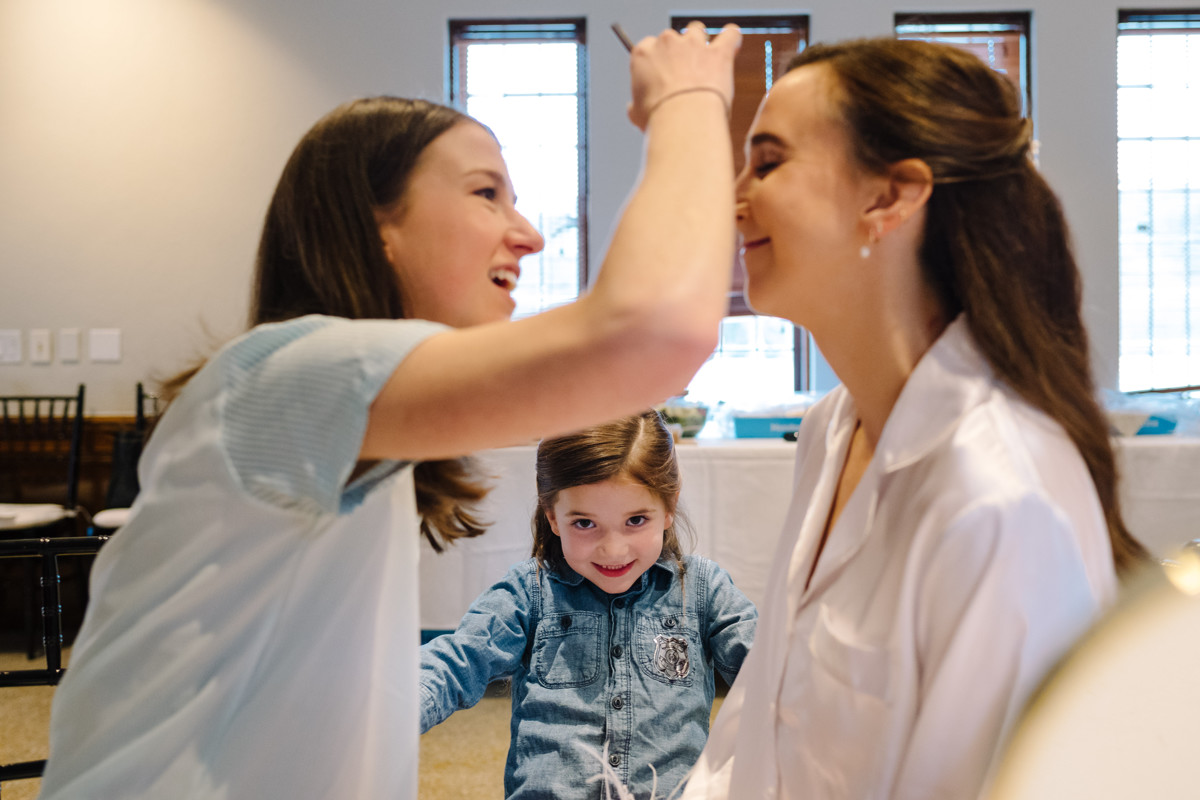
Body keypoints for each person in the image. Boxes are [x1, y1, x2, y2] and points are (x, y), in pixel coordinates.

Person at [36, 22, 742, 800]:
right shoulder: (292, 376)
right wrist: (691, 97)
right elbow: (651, 337)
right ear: (376, 224)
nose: (529, 234)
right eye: (485, 193)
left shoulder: (351, 419)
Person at [680, 37, 1149, 800]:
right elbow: (757, 722)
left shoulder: (1000, 497)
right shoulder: (833, 429)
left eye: (767, 164)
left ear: (889, 197)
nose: (735, 199)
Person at [419, 410, 757, 799]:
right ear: (553, 517)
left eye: (635, 520)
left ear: (668, 508)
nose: (613, 549)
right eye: (584, 523)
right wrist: (387, 709)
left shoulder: (702, 589)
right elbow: (456, 662)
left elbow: (772, 673)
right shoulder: (528, 591)